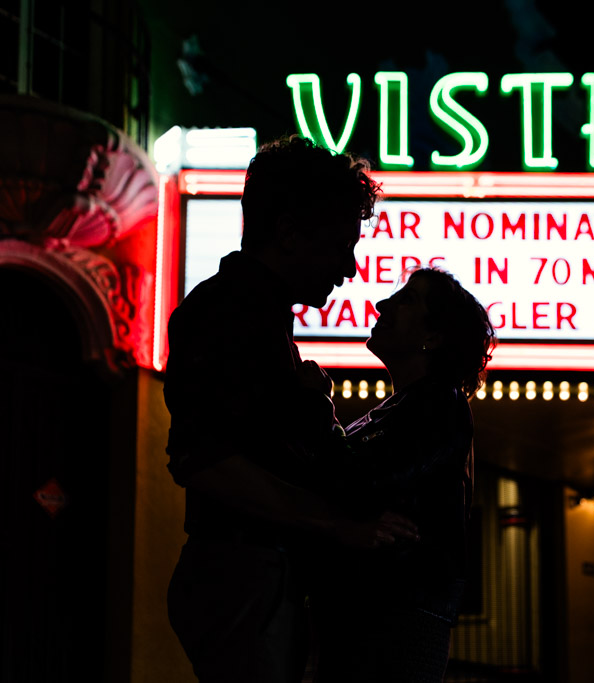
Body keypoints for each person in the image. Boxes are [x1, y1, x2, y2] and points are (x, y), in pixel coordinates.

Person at [163, 135, 417, 683]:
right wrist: (337, 524)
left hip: (251, 572)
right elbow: (202, 459)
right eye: (339, 246)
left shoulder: (255, 316)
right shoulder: (233, 314)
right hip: (243, 569)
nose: (349, 269)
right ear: (289, 232)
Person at [308, 266, 496, 682]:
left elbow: (353, 479)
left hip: (392, 626)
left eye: (407, 299)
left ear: (433, 336)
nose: (383, 303)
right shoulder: (407, 408)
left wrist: (315, 411)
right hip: (370, 619)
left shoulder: (438, 408)